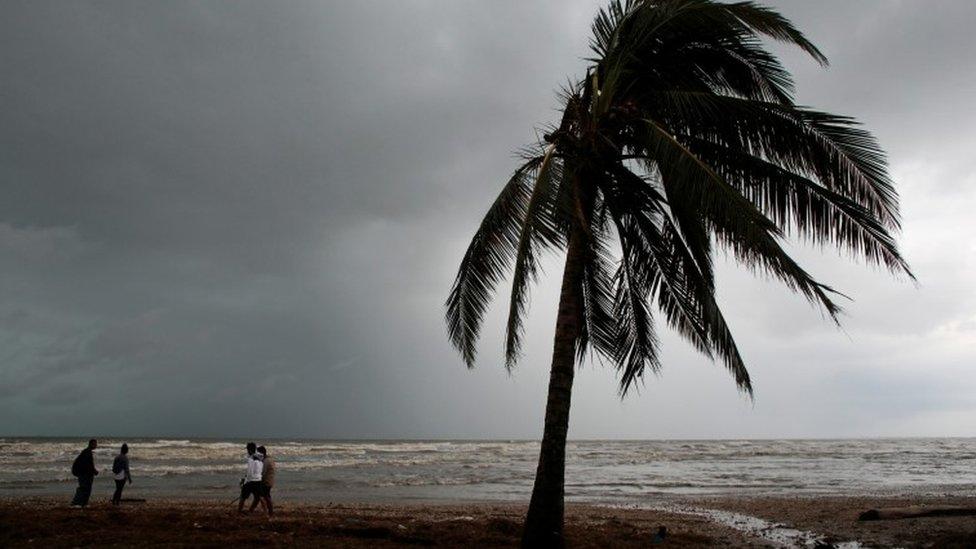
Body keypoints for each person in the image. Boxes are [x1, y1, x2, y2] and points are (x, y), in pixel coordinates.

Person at [70, 439, 99, 507]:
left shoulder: (87, 451)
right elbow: (88, 465)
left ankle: (83, 503)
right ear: (91, 444)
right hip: (84, 474)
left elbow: (89, 464)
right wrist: (94, 471)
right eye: (95, 444)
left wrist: (93, 471)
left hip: (85, 474)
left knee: (86, 489)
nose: (96, 445)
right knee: (83, 488)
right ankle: (76, 503)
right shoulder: (87, 452)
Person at [238, 442, 263, 514]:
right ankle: (251, 510)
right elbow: (260, 469)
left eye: (247, 450)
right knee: (257, 498)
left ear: (249, 450)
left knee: (243, 497)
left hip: (251, 480)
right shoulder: (260, 457)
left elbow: (250, 472)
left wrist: (245, 481)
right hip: (258, 480)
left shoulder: (251, 459)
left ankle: (239, 511)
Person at [249, 445, 274, 516]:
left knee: (265, 497)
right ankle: (251, 510)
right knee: (260, 496)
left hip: (266, 482)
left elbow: (262, 473)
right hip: (269, 481)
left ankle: (269, 512)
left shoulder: (266, 461)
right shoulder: (268, 459)